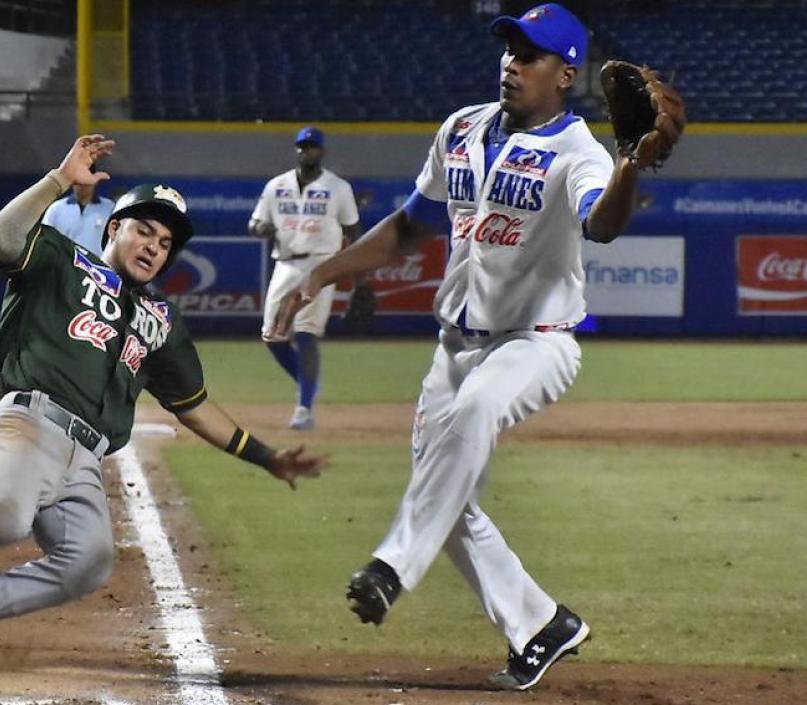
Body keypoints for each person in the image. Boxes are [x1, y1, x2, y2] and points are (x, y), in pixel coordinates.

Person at [269, 3, 683, 692]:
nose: (512, 64)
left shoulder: (578, 152)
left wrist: (630, 166)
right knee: (446, 491)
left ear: (565, 73)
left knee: (472, 417)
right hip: (452, 348)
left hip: (535, 342)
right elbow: (409, 227)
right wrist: (319, 273)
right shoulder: (461, 128)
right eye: (509, 49)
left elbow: (603, 224)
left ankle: (391, 567)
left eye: (530, 54)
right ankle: (541, 624)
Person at [0, 135, 324, 672]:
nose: (154, 247)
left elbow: (194, 406)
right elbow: (0, 236)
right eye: (144, 230)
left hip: (84, 461)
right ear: (113, 229)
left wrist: (267, 457)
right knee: (5, 519)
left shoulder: (162, 321)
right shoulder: (63, 261)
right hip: (29, 423)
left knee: (87, 561)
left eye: (165, 242)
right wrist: (59, 180)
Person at [248, 126, 362, 430]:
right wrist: (262, 229)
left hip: (321, 263)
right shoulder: (276, 185)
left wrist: (356, 274)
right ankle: (308, 384)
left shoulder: (338, 188)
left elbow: (353, 231)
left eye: (311, 146)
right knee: (272, 336)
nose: (305, 151)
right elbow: (255, 223)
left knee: (305, 333)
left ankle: (304, 409)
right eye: (302, 146)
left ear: (321, 151)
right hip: (285, 264)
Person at [40, 173, 115, 257]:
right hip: (64, 263)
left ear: (95, 181)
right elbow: (45, 240)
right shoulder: (56, 209)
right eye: (80, 181)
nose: (83, 184)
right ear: (73, 182)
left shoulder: (109, 208)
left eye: (87, 180)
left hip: (98, 263)